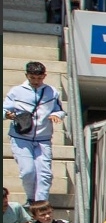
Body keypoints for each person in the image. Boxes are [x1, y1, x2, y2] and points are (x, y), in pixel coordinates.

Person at [5, 61, 64, 205]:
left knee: (45, 174)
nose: (36, 81)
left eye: (39, 78)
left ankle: (41, 204)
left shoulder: (52, 91)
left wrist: (57, 115)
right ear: (27, 76)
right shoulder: (16, 91)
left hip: (43, 138)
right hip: (21, 137)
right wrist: (8, 115)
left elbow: (60, 110)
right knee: (28, 171)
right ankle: (31, 199)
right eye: (32, 78)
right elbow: (4, 109)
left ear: (44, 76)